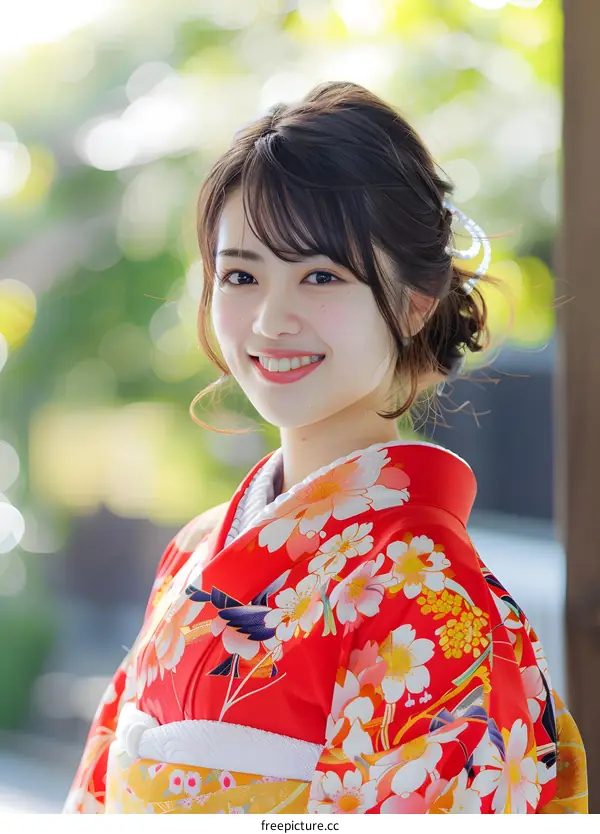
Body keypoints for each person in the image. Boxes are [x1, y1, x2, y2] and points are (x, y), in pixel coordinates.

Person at [63, 81, 587, 814]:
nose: (272, 320)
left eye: (320, 275)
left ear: (414, 301)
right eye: (241, 274)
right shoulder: (194, 550)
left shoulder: (429, 596)